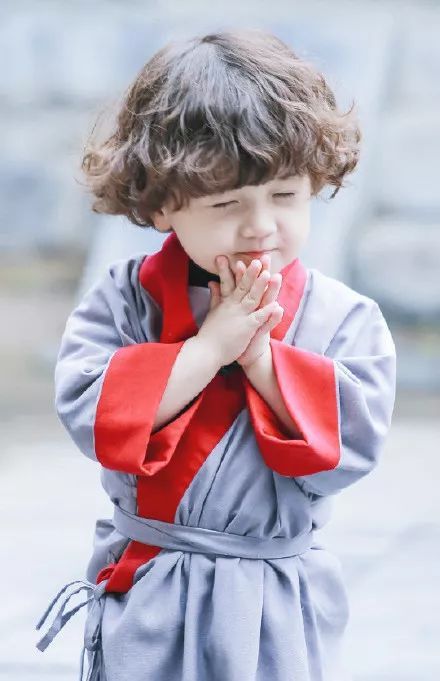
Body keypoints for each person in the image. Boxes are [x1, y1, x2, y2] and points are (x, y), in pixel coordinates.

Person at [35, 28, 396, 681]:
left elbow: (352, 443)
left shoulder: (343, 317)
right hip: (151, 590)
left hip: (275, 597)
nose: (261, 225)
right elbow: (92, 411)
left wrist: (262, 361)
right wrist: (208, 349)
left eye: (285, 195)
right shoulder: (125, 301)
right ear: (163, 204)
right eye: (228, 203)